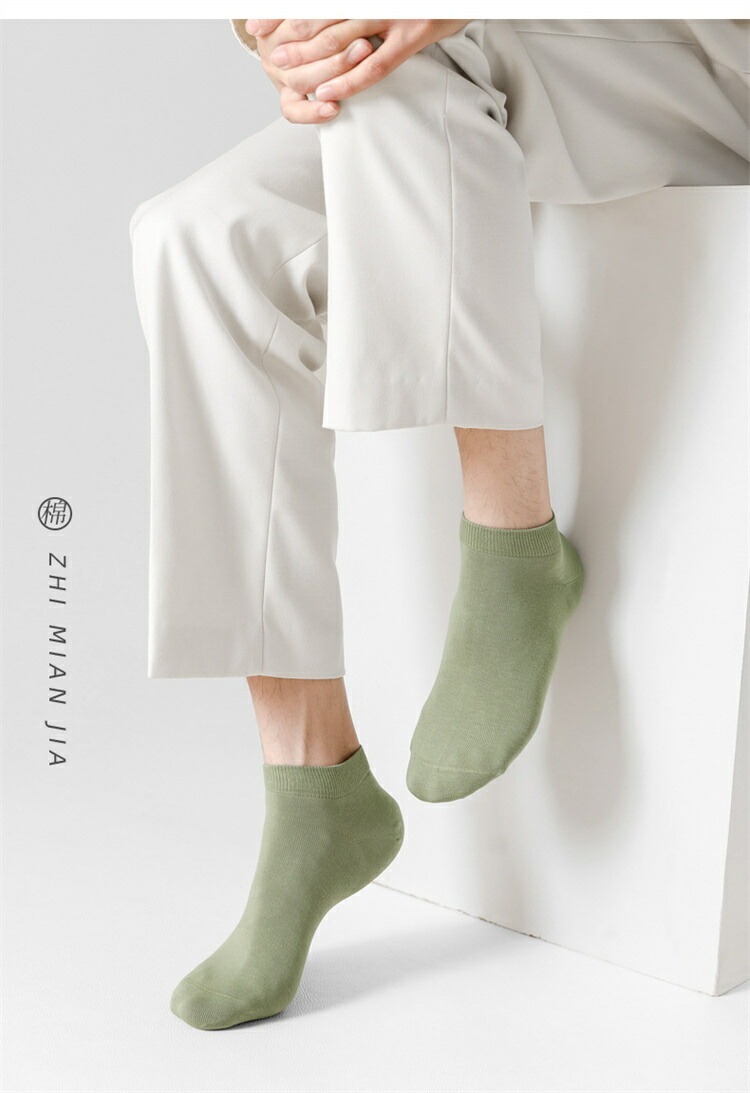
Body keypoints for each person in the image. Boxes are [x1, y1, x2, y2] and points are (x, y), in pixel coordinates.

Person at [129, 18, 749, 1030]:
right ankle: (313, 785)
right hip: (512, 55)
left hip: (708, 51)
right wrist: (275, 30)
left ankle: (515, 539)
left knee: (400, 45)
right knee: (200, 238)